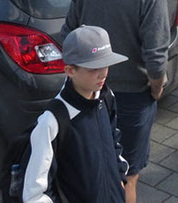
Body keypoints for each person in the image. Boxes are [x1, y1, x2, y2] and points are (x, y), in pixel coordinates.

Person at [60, 0, 169, 203]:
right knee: (127, 176)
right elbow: (156, 57)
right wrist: (157, 88)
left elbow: (68, 33)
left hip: (88, 95)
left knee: (93, 170)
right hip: (132, 99)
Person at [21, 25, 129, 203]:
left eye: (106, 65)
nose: (102, 74)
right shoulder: (52, 121)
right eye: (93, 68)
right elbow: (34, 194)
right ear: (70, 71)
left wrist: (120, 178)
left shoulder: (106, 97)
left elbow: (113, 142)